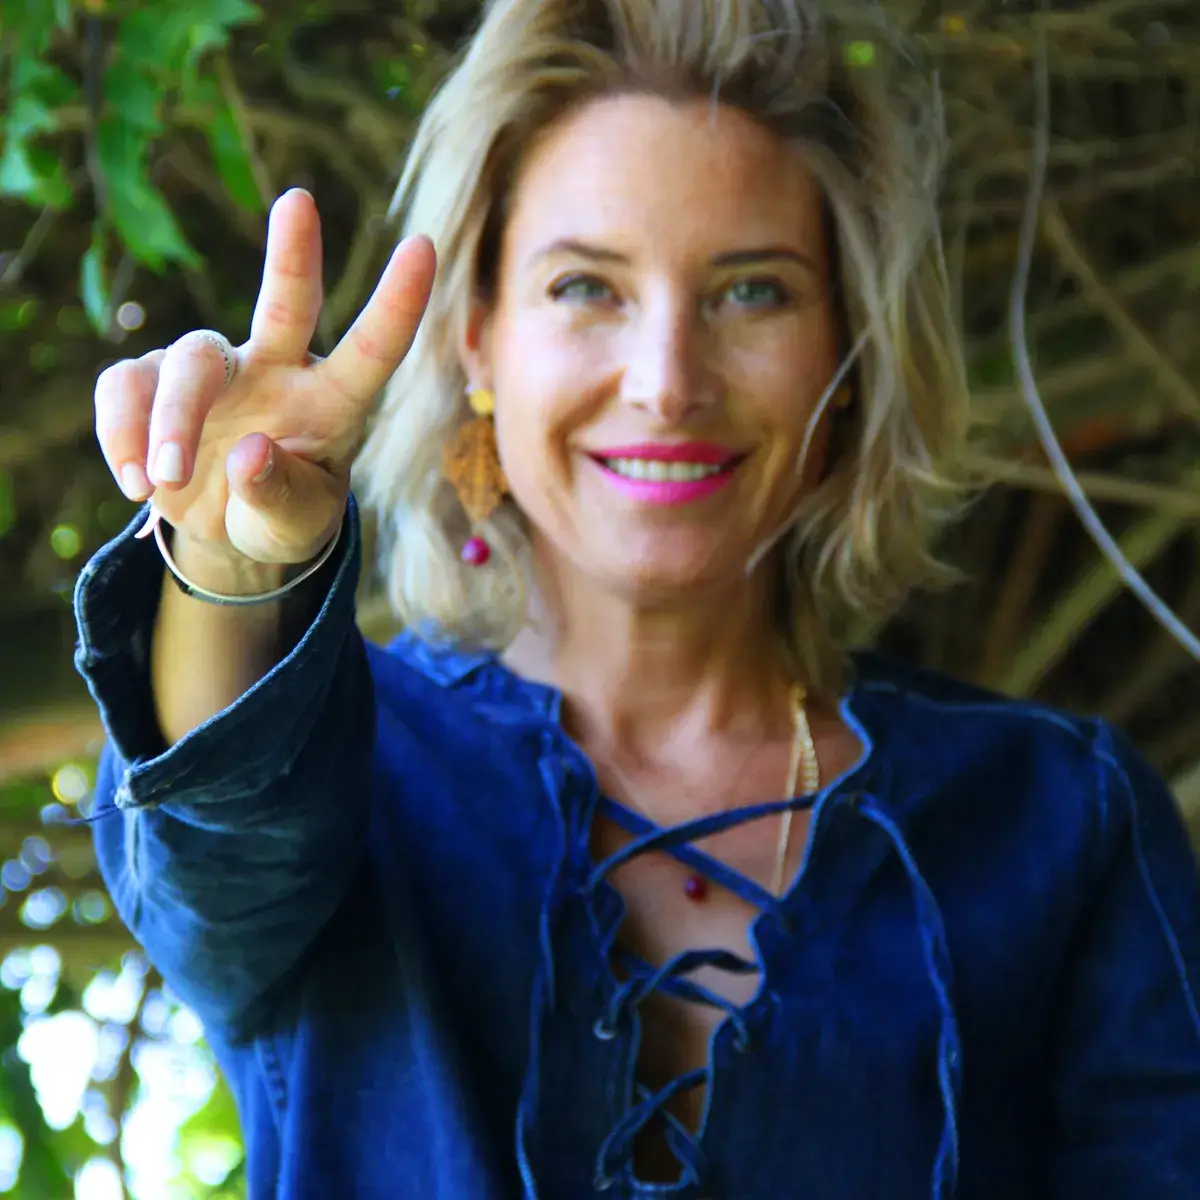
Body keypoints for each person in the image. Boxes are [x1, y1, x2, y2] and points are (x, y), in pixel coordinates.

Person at [76, 0, 1200, 1196]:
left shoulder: (1059, 818)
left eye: (752, 291)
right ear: (477, 340)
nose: (667, 383)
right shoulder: (347, 768)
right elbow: (216, 839)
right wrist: (231, 553)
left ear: (849, 350)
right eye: (586, 287)